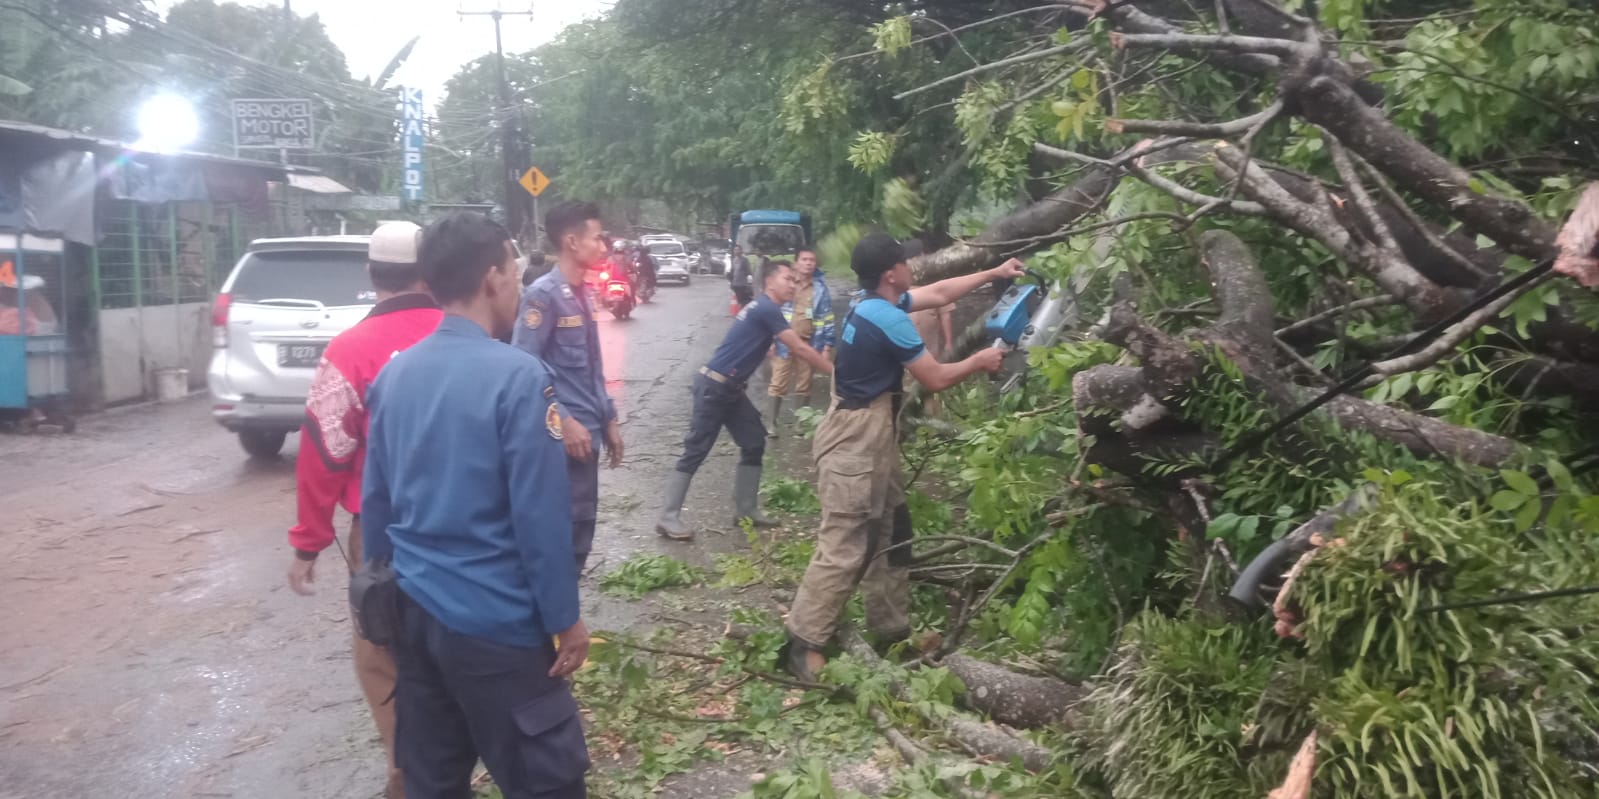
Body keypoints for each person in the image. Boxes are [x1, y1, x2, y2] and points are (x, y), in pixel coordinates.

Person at [362, 213, 591, 799]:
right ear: (493, 277)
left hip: (415, 615)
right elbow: (540, 517)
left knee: (433, 779)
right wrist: (564, 619)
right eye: (513, 270)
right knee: (547, 780)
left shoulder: (395, 376)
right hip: (495, 622)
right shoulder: (519, 377)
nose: (517, 283)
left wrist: (384, 605)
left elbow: (377, 504)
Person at [783, 234, 1023, 680]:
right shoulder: (889, 318)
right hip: (856, 441)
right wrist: (979, 361)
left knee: (894, 529)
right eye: (905, 263)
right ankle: (803, 642)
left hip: (873, 436)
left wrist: (995, 272)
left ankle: (890, 630)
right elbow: (934, 378)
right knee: (846, 541)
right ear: (892, 273)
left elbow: (939, 292)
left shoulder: (873, 302)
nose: (912, 267)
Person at [285, 221, 441, 799]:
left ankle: (409, 777)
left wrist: (308, 541)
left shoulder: (348, 350)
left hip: (381, 534)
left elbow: (324, 451)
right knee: (459, 640)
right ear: (429, 272)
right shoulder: (467, 333)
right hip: (468, 521)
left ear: (372, 274)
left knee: (382, 650)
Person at [656, 260, 834, 541]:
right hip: (715, 387)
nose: (793, 284)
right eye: (787, 279)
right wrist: (838, 374)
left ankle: (746, 510)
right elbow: (799, 347)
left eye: (795, 280)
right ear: (770, 282)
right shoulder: (766, 308)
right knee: (696, 450)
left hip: (731, 390)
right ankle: (668, 517)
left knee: (753, 442)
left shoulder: (764, 309)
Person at [513, 201, 624, 572]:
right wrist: (563, 418)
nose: (603, 246)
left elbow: (593, 366)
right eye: (597, 238)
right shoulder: (542, 296)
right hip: (562, 441)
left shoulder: (582, 293)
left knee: (581, 531)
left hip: (588, 434)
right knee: (561, 537)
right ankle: (554, 607)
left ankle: (565, 605)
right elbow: (524, 365)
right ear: (572, 242)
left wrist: (609, 418)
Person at [765, 247, 834, 433]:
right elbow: (771, 310)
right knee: (778, 381)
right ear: (796, 263)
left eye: (812, 260)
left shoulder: (819, 289)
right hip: (783, 342)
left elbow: (827, 317)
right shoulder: (786, 283)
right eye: (804, 259)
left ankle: (800, 423)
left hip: (808, 343)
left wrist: (827, 346)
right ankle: (771, 423)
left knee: (805, 383)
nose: (808, 263)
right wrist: (769, 339)